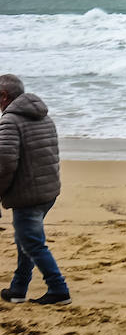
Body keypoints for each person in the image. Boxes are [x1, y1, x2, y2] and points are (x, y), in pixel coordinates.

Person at [0, 74, 69, 305]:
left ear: (4, 96)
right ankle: (18, 289)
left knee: (32, 243)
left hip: (27, 195)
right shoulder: (44, 116)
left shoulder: (10, 121)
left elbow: (5, 163)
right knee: (26, 240)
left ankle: (59, 289)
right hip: (47, 191)